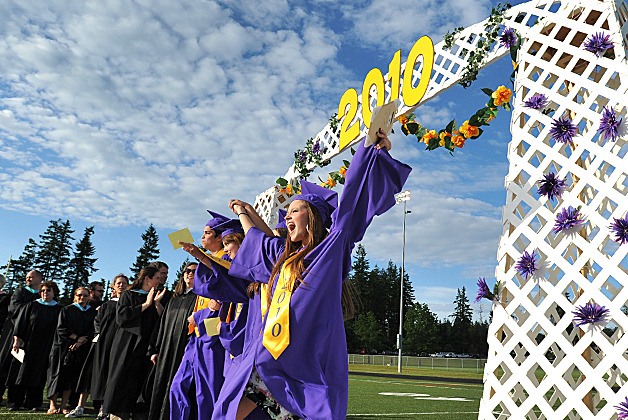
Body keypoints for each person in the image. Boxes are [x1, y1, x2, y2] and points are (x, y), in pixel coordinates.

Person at [214, 131, 411, 419]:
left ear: (314, 216)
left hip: (305, 371)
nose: (287, 217)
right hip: (272, 365)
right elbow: (257, 240)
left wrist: (371, 153)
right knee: (227, 410)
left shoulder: (328, 254)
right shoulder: (284, 260)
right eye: (287, 213)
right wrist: (243, 212)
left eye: (295, 210)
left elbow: (353, 202)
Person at [103, 266, 165, 420]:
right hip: (126, 346)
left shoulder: (158, 297)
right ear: (147, 279)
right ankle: (118, 415)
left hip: (146, 348)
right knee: (122, 381)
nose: (160, 280)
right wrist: (145, 305)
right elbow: (122, 318)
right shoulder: (129, 295)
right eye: (157, 277)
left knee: (141, 382)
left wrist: (156, 304)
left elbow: (161, 323)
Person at [147, 262, 198, 420]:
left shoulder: (200, 299)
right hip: (166, 351)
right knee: (161, 388)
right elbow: (161, 326)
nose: (190, 273)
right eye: (187, 271)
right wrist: (154, 349)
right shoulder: (174, 300)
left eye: (194, 272)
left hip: (185, 352)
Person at [8, 281, 62, 412]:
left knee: (39, 374)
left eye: (48, 290)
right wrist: (16, 341)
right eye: (42, 290)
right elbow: (20, 324)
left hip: (46, 347)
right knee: (21, 373)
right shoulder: (31, 306)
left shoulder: (59, 309)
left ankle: (33, 402)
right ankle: (15, 402)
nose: (45, 293)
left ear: (54, 292)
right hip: (28, 345)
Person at [47, 287, 96, 417]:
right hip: (63, 348)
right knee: (57, 375)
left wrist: (80, 342)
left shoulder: (91, 312)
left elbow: (92, 330)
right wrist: (75, 338)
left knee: (71, 378)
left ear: (89, 297)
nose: (82, 298)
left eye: (85, 296)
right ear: (75, 296)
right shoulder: (67, 310)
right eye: (80, 295)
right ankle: (52, 405)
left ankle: (64, 406)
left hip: (81, 349)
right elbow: (61, 328)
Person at [85, 274, 129, 420]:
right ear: (114, 286)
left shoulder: (130, 304)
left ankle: (113, 410)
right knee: (104, 374)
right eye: (118, 283)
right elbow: (97, 323)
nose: (121, 285)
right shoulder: (106, 305)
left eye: (124, 283)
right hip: (106, 343)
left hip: (123, 344)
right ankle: (102, 409)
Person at [1, 270, 43, 410]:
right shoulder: (20, 291)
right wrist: (33, 310)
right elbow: (15, 308)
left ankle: (23, 400)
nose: (28, 279)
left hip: (32, 336)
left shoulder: (42, 293)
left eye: (31, 277)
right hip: (13, 331)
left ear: (39, 278)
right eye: (26, 277)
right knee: (5, 364)